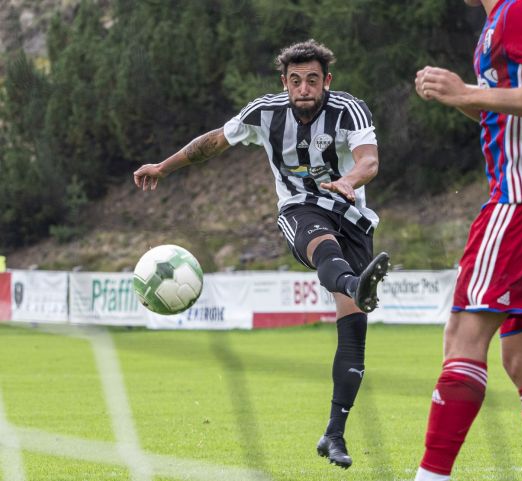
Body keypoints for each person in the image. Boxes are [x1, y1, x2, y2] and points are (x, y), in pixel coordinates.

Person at [132, 39, 389, 470]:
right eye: (295, 80)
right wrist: (163, 166)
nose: (304, 88)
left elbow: (370, 161)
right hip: (300, 210)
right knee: (324, 248)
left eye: (312, 80)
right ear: (284, 82)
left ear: (326, 81)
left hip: (352, 216)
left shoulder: (349, 109)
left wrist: (349, 180)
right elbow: (212, 143)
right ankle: (353, 284)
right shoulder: (264, 112)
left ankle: (334, 433)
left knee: (353, 337)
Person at [411, 1, 522, 480]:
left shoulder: (519, 9)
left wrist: (467, 90)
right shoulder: (500, 20)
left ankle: (430, 476)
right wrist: (458, 96)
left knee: (463, 336)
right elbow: (511, 113)